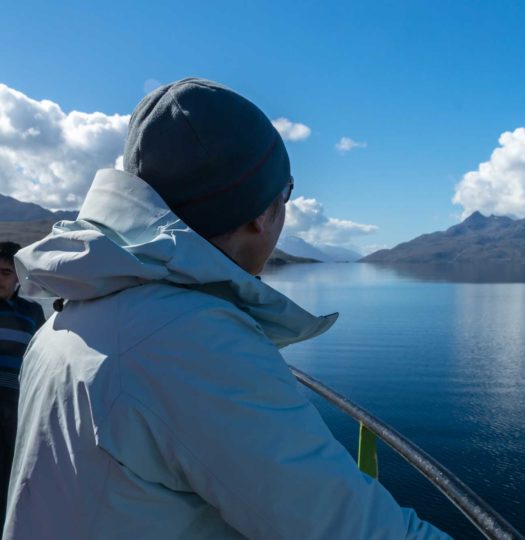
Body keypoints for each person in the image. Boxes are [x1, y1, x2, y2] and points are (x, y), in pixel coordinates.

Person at [3, 78, 451, 539]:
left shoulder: (69, 314)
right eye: (286, 192)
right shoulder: (191, 343)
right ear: (259, 211)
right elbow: (353, 529)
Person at [0, 241, 45, 525]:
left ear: (18, 276)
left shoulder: (31, 313)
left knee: (10, 477)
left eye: (5, 272)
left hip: (15, 408)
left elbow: (41, 359)